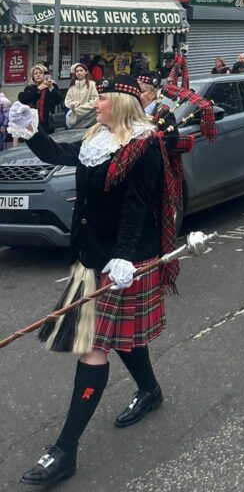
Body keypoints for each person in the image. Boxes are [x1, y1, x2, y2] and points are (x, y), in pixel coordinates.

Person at [11, 76, 182, 488]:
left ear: (120, 104)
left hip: (125, 260)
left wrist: (124, 257)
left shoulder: (143, 146)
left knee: (94, 347)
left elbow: (137, 206)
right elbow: (59, 152)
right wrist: (30, 131)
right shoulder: (96, 139)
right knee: (122, 337)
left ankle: (65, 450)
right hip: (92, 256)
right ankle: (150, 390)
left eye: (101, 98)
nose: (95, 102)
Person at [19, 64, 62, 134]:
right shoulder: (30, 88)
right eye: (36, 74)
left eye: (41, 73)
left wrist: (51, 87)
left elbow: (58, 100)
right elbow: (23, 99)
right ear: (33, 76)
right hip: (32, 121)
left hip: (47, 121)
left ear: (45, 75)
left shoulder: (52, 86)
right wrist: (38, 89)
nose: (38, 75)